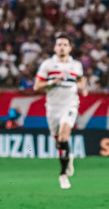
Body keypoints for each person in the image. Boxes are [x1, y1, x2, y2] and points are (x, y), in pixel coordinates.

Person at [34, 34, 87, 190]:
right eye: (59, 44)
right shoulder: (47, 65)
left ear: (70, 48)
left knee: (64, 137)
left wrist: (83, 88)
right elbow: (37, 86)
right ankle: (68, 157)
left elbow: (81, 79)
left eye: (65, 44)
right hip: (53, 107)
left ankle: (63, 174)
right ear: (55, 48)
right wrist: (52, 82)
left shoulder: (76, 65)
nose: (62, 47)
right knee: (59, 142)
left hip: (70, 105)